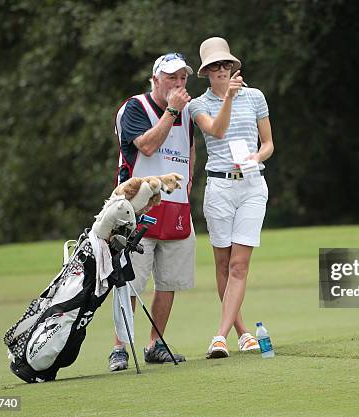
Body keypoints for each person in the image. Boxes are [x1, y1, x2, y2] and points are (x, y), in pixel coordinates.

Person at [108, 52, 196, 370]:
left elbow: (189, 148)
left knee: (169, 281)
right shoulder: (134, 107)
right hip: (137, 206)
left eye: (183, 77)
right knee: (131, 281)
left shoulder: (186, 112)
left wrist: (188, 186)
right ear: (156, 79)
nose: (179, 83)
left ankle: (155, 343)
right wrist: (172, 110)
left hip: (176, 206)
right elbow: (146, 145)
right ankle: (120, 347)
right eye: (172, 77)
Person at [189, 37, 274, 358]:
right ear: (207, 72)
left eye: (226, 64)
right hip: (220, 188)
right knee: (223, 264)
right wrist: (228, 99)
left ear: (233, 66)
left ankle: (219, 337)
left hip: (252, 184)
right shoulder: (199, 105)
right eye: (215, 66)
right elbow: (217, 131)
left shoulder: (255, 97)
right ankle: (242, 332)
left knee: (239, 265)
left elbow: (268, 143)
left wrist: (257, 156)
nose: (221, 70)